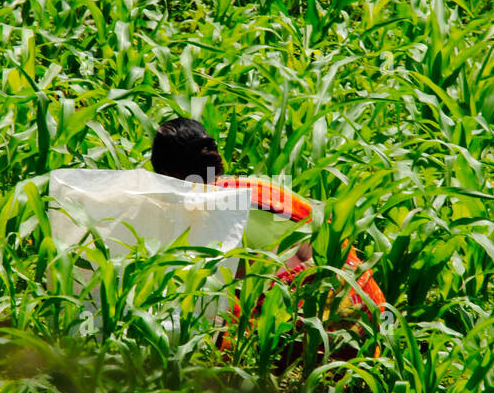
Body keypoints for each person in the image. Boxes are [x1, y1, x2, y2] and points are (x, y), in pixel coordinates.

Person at [150, 117, 386, 343]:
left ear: (171, 174)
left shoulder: (207, 216)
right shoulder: (256, 188)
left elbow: (217, 303)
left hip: (318, 328)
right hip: (367, 305)